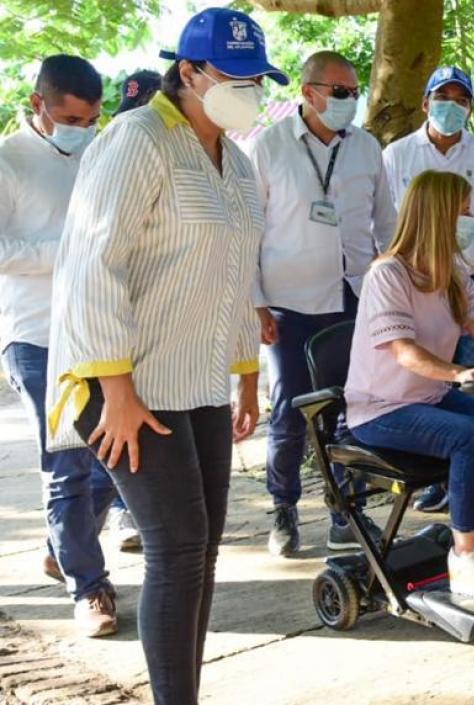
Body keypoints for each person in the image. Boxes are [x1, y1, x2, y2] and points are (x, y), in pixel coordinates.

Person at [44, 8, 281, 703]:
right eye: (234, 78)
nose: (249, 90)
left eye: (256, 80)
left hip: (199, 378)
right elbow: (91, 265)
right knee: (176, 548)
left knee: (199, 552)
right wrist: (115, 390)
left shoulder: (235, 161)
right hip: (127, 382)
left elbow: (236, 276)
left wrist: (244, 379)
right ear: (189, 73)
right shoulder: (136, 138)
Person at [347, 170, 474, 601]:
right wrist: (459, 373)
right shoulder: (388, 274)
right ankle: (466, 555)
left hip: (428, 399)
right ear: (437, 214)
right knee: (467, 436)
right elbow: (403, 351)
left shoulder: (452, 269)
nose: (471, 217)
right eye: (464, 209)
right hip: (380, 410)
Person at [250, 50, 395, 557]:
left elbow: (386, 223)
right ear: (308, 94)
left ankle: (345, 513)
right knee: (291, 411)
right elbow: (249, 229)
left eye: (354, 92)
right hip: (289, 305)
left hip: (354, 298)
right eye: (340, 92)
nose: (349, 101)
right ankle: (284, 508)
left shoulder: (366, 148)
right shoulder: (269, 147)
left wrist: (395, 289)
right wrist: (257, 303)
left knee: (350, 409)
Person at [0, 54, 118, 637]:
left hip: (104, 331)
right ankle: (89, 588)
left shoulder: (99, 152)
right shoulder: (7, 160)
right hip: (36, 336)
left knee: (116, 461)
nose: (84, 126)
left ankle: (62, 543)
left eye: (93, 116)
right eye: (72, 117)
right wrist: (67, 249)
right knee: (68, 463)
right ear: (38, 103)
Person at [383, 65, 474, 513]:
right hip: (416, 282)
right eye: (443, 97)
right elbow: (380, 218)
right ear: (425, 103)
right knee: (428, 379)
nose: (452, 107)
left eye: (462, 100)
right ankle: (437, 477)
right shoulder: (397, 156)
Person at [103, 67, 163, 555]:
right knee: (92, 451)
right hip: (100, 341)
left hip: (157, 337)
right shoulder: (112, 150)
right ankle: (73, 543)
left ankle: (120, 514)